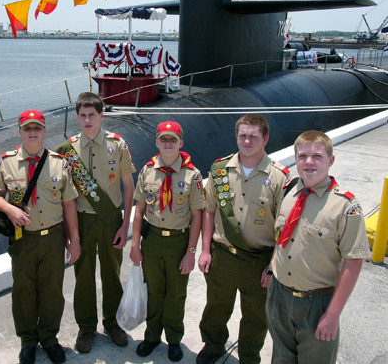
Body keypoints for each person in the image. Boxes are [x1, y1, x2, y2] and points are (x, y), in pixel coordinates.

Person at [266, 130, 370, 363]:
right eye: (302, 156)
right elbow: (281, 237)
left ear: (330, 160)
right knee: (281, 358)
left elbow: (353, 262)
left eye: (317, 156)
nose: (309, 162)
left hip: (316, 304)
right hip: (279, 296)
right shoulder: (289, 191)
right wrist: (271, 268)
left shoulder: (345, 207)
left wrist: (333, 315)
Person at [0, 109, 80, 364]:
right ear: (19, 131)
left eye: (37, 128)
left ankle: (49, 338)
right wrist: (9, 208)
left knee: (52, 291)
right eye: (27, 128)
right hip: (23, 239)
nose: (32, 133)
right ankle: (28, 340)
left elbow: (69, 203)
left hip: (53, 237)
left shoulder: (58, 163)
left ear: (44, 131)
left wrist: (74, 240)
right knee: (24, 291)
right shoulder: (7, 163)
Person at [197, 113, 289, 364]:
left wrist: (272, 267)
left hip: (258, 261)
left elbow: (284, 229)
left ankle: (249, 356)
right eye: (242, 136)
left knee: (256, 316)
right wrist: (205, 251)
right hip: (223, 255)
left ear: (265, 139)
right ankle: (213, 345)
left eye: (253, 136)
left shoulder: (280, 177)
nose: (247, 141)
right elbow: (209, 210)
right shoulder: (220, 170)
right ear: (236, 137)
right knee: (216, 306)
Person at [54, 92, 135, 353]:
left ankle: (113, 323)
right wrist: (69, 233)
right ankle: (86, 327)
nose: (87, 120)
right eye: (82, 115)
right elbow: (63, 194)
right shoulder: (68, 151)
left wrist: (125, 226)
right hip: (83, 221)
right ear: (78, 117)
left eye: (92, 115)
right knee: (84, 276)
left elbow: (128, 185)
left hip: (111, 220)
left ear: (101, 115)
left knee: (112, 274)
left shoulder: (117, 144)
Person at [130, 121, 204, 362]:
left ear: (181, 142)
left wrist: (191, 252)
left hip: (178, 242)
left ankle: (173, 339)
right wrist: (134, 246)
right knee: (153, 291)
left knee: (175, 294)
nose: (169, 144)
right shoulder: (147, 171)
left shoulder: (192, 175)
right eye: (164, 139)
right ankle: (152, 336)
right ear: (157, 143)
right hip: (151, 240)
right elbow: (139, 210)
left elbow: (197, 216)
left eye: (173, 139)